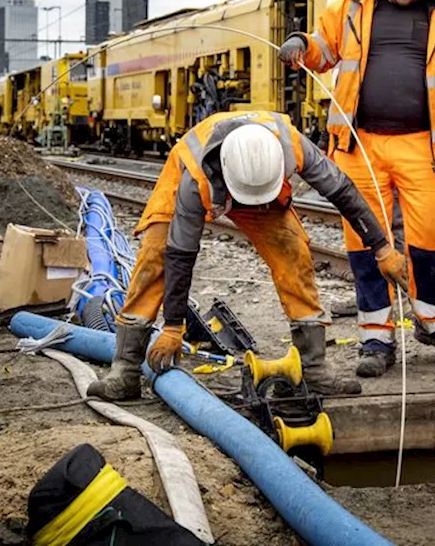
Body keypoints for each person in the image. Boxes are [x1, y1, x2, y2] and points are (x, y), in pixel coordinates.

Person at [85, 111, 411, 400]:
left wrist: (382, 248)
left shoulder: (292, 146)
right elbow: (180, 253)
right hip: (201, 178)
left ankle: (312, 370)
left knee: (293, 252)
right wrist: (172, 326)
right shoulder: (195, 175)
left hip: (261, 186)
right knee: (155, 255)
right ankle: (125, 370)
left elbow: (343, 192)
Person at [279, 0, 435, 378]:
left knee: (432, 233)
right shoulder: (351, 8)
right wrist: (301, 44)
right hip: (360, 144)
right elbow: (323, 49)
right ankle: (377, 337)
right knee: (365, 241)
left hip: (423, 146)